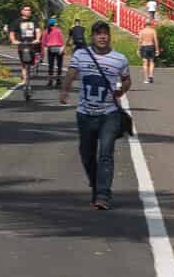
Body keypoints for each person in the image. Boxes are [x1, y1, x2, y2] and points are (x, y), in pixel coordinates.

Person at [60, 20, 131, 210]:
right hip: (85, 114)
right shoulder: (81, 55)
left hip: (109, 114)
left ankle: (103, 195)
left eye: (105, 33)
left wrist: (121, 91)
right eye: (98, 33)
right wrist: (64, 91)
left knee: (106, 153)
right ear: (92, 36)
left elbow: (126, 80)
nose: (102, 37)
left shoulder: (119, 59)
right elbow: (71, 73)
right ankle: (95, 182)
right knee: (86, 154)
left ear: (109, 36)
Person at [9, 3, 41, 88]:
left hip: (32, 44)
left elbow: (38, 31)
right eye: (26, 10)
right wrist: (13, 40)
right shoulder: (17, 22)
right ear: (22, 11)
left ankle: (34, 66)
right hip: (22, 44)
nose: (28, 12)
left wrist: (37, 39)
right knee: (23, 64)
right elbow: (12, 32)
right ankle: (25, 80)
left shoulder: (34, 21)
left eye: (29, 10)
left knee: (31, 62)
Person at [42, 18, 66, 88]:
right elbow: (62, 41)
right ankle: (58, 81)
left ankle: (50, 81)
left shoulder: (46, 31)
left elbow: (43, 42)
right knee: (59, 66)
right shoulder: (58, 30)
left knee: (51, 66)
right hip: (59, 48)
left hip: (50, 49)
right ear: (55, 24)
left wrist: (42, 51)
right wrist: (63, 48)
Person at [138, 16, 161, 84]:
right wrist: (157, 50)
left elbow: (140, 41)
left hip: (144, 47)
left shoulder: (142, 31)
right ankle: (151, 75)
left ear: (145, 24)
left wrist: (138, 50)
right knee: (151, 61)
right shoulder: (153, 31)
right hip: (151, 46)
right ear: (150, 24)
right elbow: (156, 40)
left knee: (145, 63)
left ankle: (146, 79)